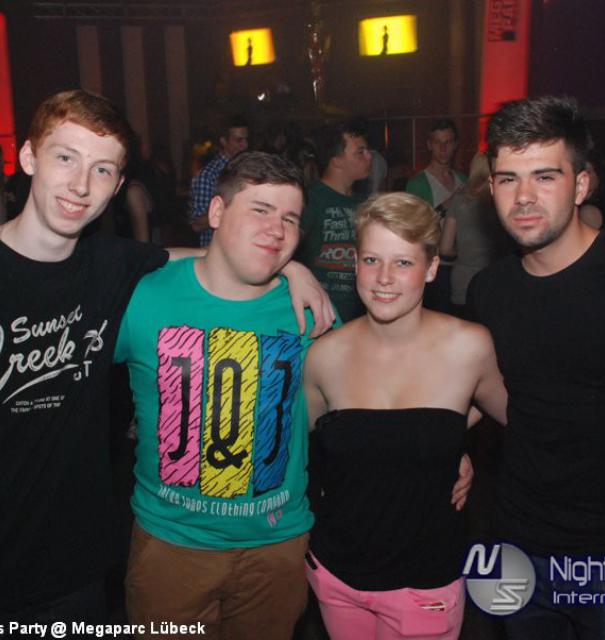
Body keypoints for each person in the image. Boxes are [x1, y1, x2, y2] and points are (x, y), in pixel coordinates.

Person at [0, 90, 333, 631]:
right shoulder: (131, 290)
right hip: (128, 549)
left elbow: (360, 385)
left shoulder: (112, 270)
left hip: (75, 566)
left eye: (102, 169)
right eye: (65, 158)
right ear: (29, 157)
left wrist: (284, 263)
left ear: (118, 184)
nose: (81, 184)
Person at [468, 95, 605, 640]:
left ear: (581, 185)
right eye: (507, 179)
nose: (523, 197)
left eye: (545, 176)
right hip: (516, 545)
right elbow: (494, 392)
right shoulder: (489, 291)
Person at [304, 192, 507, 640]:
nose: (383, 278)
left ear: (432, 268)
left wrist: (445, 438)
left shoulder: (468, 346)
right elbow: (294, 451)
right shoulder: (323, 356)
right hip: (336, 577)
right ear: (355, 263)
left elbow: (530, 416)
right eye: (371, 259)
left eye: (403, 263)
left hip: (424, 585)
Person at [296, 119, 372, 322]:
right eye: (360, 152)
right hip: (321, 315)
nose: (369, 156)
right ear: (337, 160)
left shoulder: (364, 202)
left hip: (358, 314)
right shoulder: (312, 199)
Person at [439, 152, 512, 316]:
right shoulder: (503, 199)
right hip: (498, 280)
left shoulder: (459, 199)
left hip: (463, 281)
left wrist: (463, 252)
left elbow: (444, 249)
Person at [406, 119, 467, 313]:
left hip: (464, 264)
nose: (443, 148)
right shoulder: (418, 184)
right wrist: (445, 206)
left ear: (455, 145)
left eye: (447, 142)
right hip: (436, 268)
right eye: (438, 142)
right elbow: (414, 228)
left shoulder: (463, 179)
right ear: (429, 145)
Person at [189, 115, 249, 246]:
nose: (245, 145)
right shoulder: (209, 175)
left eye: (246, 139)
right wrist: (230, 208)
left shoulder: (247, 169)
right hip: (218, 250)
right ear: (223, 141)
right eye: (239, 140)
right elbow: (196, 224)